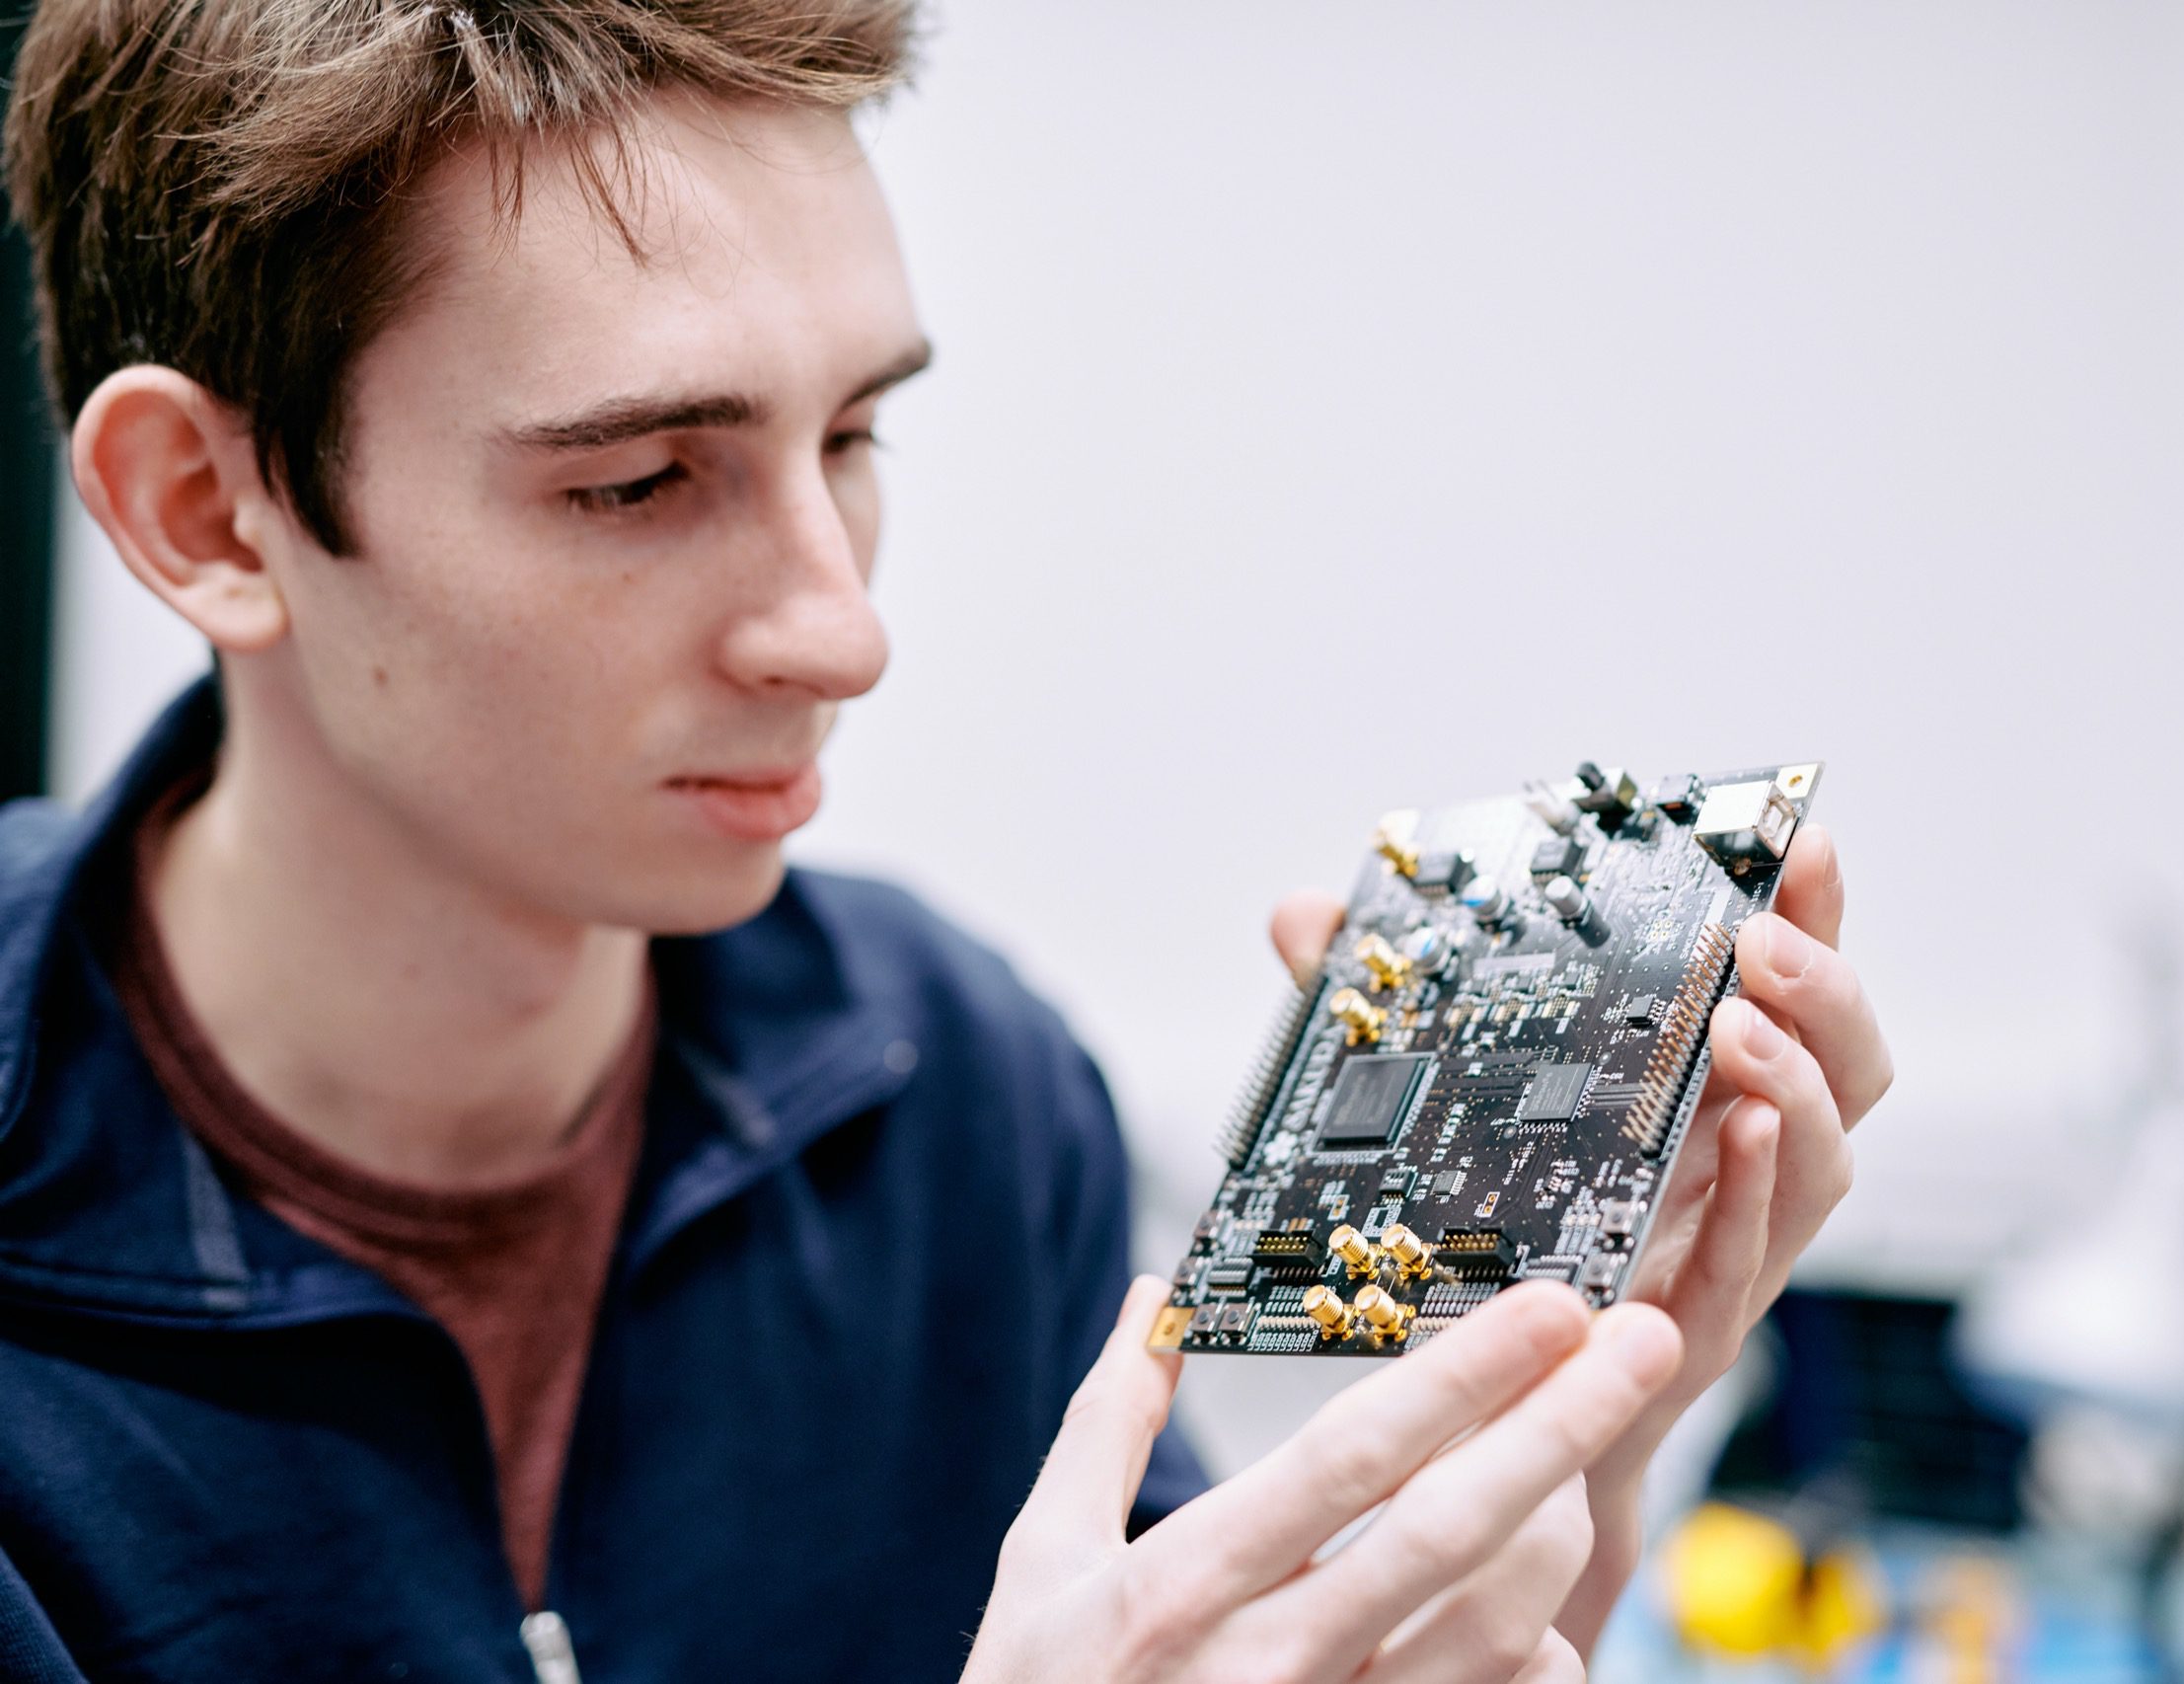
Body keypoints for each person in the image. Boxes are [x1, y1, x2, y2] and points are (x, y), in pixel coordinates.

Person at [0, 3, 1893, 1679]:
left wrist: (1569, 1432)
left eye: (851, 440)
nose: (844, 632)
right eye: (640, 479)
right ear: (206, 513)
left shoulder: (957, 1091)